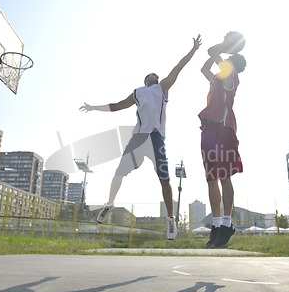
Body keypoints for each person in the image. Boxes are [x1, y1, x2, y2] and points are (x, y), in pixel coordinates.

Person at [79, 35, 202, 240]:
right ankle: (109, 204)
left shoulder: (162, 88)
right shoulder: (137, 92)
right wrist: (94, 107)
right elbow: (117, 106)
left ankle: (171, 221)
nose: (154, 75)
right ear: (145, 80)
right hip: (139, 138)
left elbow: (179, 67)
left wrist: (193, 50)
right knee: (119, 172)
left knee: (165, 179)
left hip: (155, 138)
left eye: (156, 74)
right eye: (150, 74)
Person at [198, 32, 246, 248]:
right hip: (209, 128)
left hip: (224, 128)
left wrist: (228, 45)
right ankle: (216, 226)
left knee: (225, 177)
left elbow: (212, 52)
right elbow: (204, 68)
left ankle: (227, 224)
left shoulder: (230, 73)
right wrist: (226, 48)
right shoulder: (218, 78)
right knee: (211, 178)